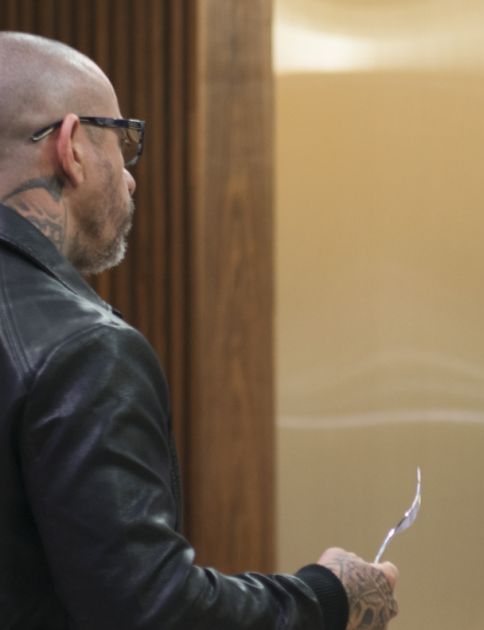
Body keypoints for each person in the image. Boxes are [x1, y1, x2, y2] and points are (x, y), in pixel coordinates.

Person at [0, 32, 399, 629]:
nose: (131, 177)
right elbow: (149, 612)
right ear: (72, 145)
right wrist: (327, 595)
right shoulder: (86, 349)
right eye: (123, 141)